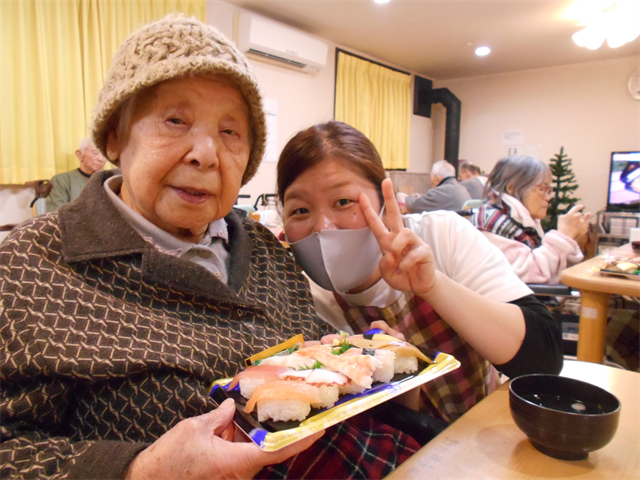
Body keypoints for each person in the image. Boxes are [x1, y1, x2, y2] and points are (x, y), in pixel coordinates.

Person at [0, 16, 420, 480]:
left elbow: (308, 364)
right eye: (175, 120)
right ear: (115, 135)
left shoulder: (263, 248)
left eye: (230, 132)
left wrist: (353, 359)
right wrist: (140, 471)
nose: (205, 153)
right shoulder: (31, 264)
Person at [277, 121, 563, 424]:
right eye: (300, 210)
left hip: (486, 434)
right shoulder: (299, 294)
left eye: (344, 201)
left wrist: (433, 286)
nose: (322, 227)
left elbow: (543, 360)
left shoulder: (442, 234)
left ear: (386, 203)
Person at [470, 155, 591, 284]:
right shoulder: (490, 222)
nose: (548, 197)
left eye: (549, 190)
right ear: (511, 188)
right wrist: (563, 237)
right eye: (542, 189)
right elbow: (528, 276)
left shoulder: (517, 218)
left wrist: (570, 238)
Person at [46, 136, 107, 211]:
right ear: (80, 155)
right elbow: (58, 214)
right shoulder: (61, 181)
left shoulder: (110, 181)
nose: (101, 159)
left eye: (104, 154)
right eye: (95, 153)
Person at [404, 160, 471, 213]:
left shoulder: (443, 191)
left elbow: (414, 206)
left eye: (431, 178)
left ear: (437, 178)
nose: (430, 182)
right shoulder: (462, 188)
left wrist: (412, 197)